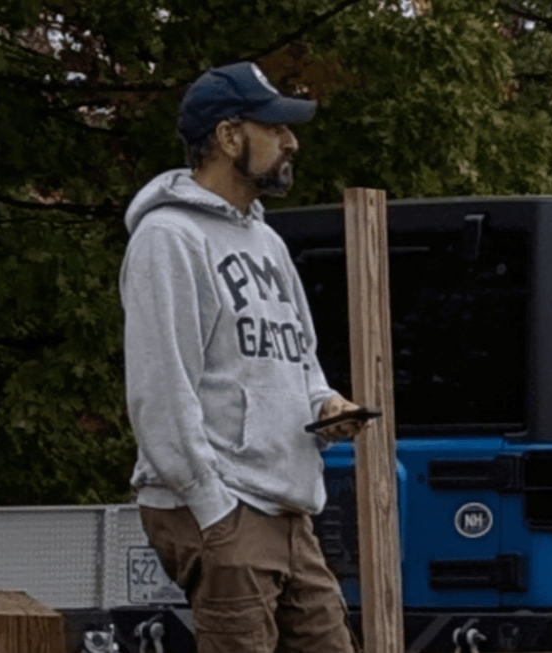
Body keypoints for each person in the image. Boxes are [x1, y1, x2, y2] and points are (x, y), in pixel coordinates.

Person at [119, 61, 367, 653]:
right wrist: (215, 510)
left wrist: (325, 404)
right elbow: (161, 392)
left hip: (286, 510)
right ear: (229, 136)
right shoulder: (168, 238)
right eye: (274, 127)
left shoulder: (267, 241)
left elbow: (301, 361)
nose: (291, 141)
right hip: (222, 506)